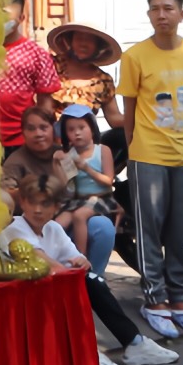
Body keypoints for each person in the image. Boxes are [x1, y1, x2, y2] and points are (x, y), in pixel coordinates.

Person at [116, 0, 183, 340]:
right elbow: (128, 111)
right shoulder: (135, 56)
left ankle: (179, 298)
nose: (162, 15)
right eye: (155, 9)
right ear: (149, 15)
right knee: (150, 230)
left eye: (168, 8)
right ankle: (154, 299)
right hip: (148, 156)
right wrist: (132, 149)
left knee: (179, 230)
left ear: (181, 14)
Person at [2, 175, 177, 365]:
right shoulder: (15, 227)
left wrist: (81, 263)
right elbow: (44, 262)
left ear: (57, 206)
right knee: (81, 281)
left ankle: (134, 342)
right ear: (22, 202)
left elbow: (79, 262)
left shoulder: (54, 229)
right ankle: (95, 348)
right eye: (32, 202)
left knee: (90, 279)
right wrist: (74, 268)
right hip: (23, 298)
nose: (37, 210)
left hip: (50, 291)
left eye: (45, 203)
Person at [56, 106, 120, 276]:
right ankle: (58, 263)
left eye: (81, 128)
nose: (77, 133)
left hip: (100, 197)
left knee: (79, 216)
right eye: (71, 129)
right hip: (77, 199)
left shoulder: (102, 150)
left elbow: (108, 181)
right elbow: (68, 186)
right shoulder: (69, 154)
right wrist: (61, 165)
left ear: (92, 128)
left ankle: (80, 258)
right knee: (57, 225)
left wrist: (86, 168)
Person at [0, 0, 61, 148]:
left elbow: (45, 104)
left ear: (22, 18)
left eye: (7, 18)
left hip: (22, 140)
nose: (1, 23)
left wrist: (43, 142)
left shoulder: (36, 54)